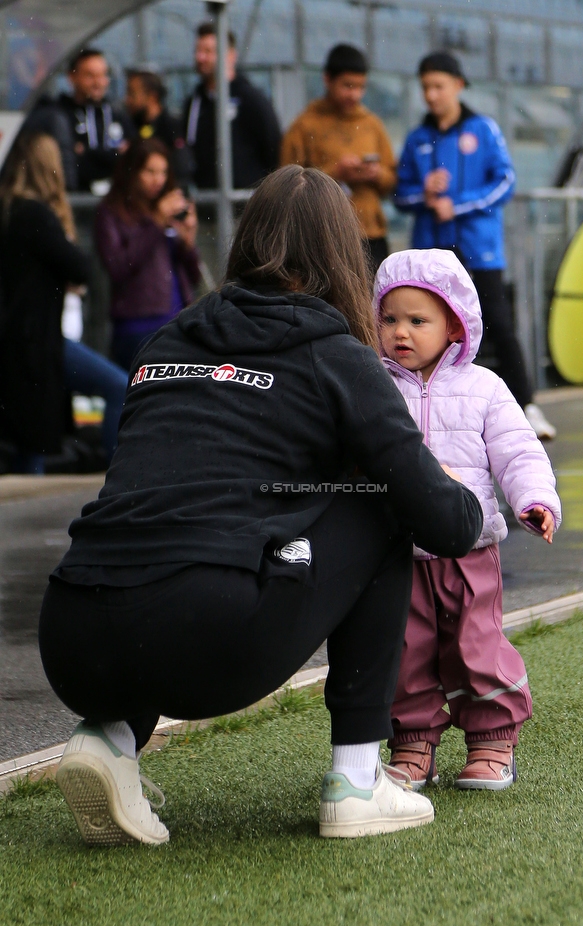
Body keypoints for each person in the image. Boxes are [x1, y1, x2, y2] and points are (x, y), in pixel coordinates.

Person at [39, 166, 483, 847]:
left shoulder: (166, 341)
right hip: (205, 639)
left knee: (163, 550)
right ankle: (358, 780)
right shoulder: (336, 354)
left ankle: (109, 739)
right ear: (342, 254)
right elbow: (447, 523)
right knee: (382, 502)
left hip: (70, 637)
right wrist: (459, 487)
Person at [374, 248, 561, 790]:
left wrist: (535, 501)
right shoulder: (376, 387)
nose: (400, 332)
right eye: (389, 319)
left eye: (417, 320)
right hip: (399, 552)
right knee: (406, 651)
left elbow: (518, 451)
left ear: (454, 324)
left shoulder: (484, 387)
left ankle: (492, 740)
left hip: (469, 549)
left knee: (476, 646)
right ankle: (412, 746)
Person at [395, 51, 556, 440]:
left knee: (497, 324)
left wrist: (459, 205)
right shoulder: (418, 138)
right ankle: (424, 414)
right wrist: (424, 195)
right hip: (432, 254)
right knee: (428, 329)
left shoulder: (483, 129)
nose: (432, 95)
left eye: (439, 86)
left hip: (479, 250)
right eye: (426, 87)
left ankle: (527, 406)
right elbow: (401, 195)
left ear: (458, 86)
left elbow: (505, 182)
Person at [0, 132, 128, 473]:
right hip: (39, 342)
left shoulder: (11, 212)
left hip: (26, 340)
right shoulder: (35, 215)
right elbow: (79, 266)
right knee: (118, 385)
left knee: (29, 450)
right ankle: (119, 474)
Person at [281, 44, 396, 274]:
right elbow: (286, 183)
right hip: (324, 234)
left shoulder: (371, 125)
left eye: (360, 87)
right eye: (347, 85)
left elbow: (392, 180)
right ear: (327, 80)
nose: (354, 94)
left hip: (369, 233)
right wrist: (335, 173)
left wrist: (377, 174)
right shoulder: (306, 125)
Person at [95, 138, 201, 370]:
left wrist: (188, 243)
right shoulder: (111, 212)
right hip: (136, 326)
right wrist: (156, 222)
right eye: (150, 171)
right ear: (133, 171)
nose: (158, 180)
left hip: (177, 321)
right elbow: (118, 267)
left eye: (163, 172)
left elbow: (194, 277)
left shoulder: (169, 207)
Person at [183, 23, 281, 189]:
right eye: (198, 51)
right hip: (206, 203)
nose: (200, 58)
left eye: (208, 51)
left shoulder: (251, 100)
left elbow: (273, 148)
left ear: (230, 56)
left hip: (246, 204)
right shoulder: (194, 103)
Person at [57, 49, 135, 192]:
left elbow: (131, 158)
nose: (98, 83)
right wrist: (112, 154)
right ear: (72, 77)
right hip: (76, 199)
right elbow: (70, 163)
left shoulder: (117, 115)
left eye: (103, 75)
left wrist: (85, 151)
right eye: (90, 76)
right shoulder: (61, 115)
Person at [124, 70, 193, 184]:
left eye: (132, 93)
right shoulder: (130, 126)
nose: (127, 100)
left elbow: (182, 167)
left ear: (152, 97)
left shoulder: (171, 128)